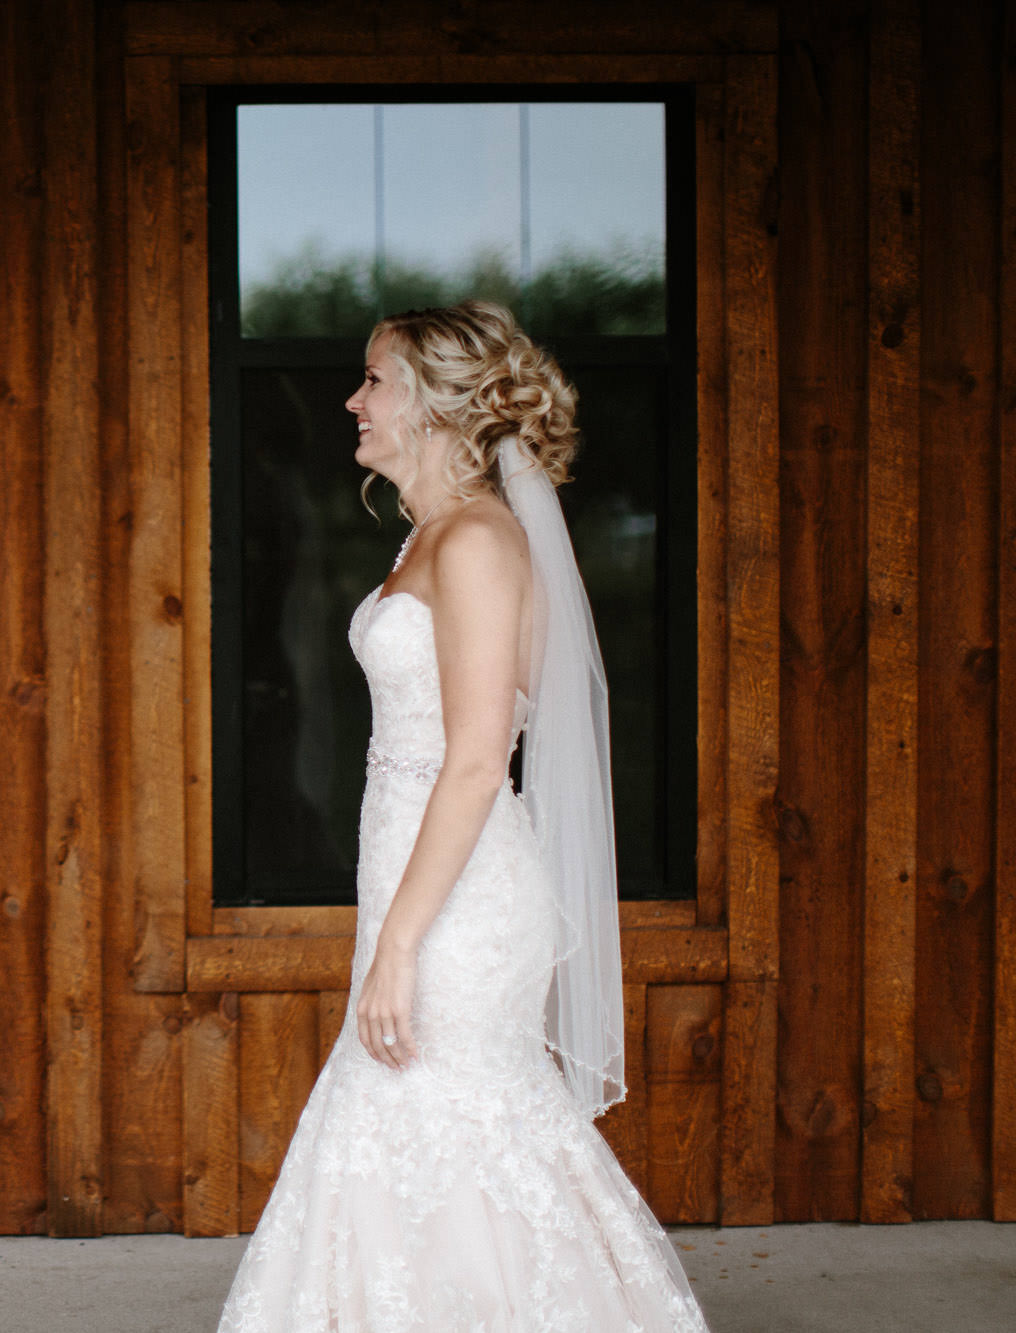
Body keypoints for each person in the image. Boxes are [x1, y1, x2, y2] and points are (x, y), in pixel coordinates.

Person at [217, 301, 707, 1331]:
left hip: (460, 905)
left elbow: (478, 760)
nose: (352, 400)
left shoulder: (478, 541)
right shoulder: (432, 534)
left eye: (373, 380)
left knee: (448, 1131)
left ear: (437, 405)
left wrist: (398, 941)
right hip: (414, 883)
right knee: (410, 1139)